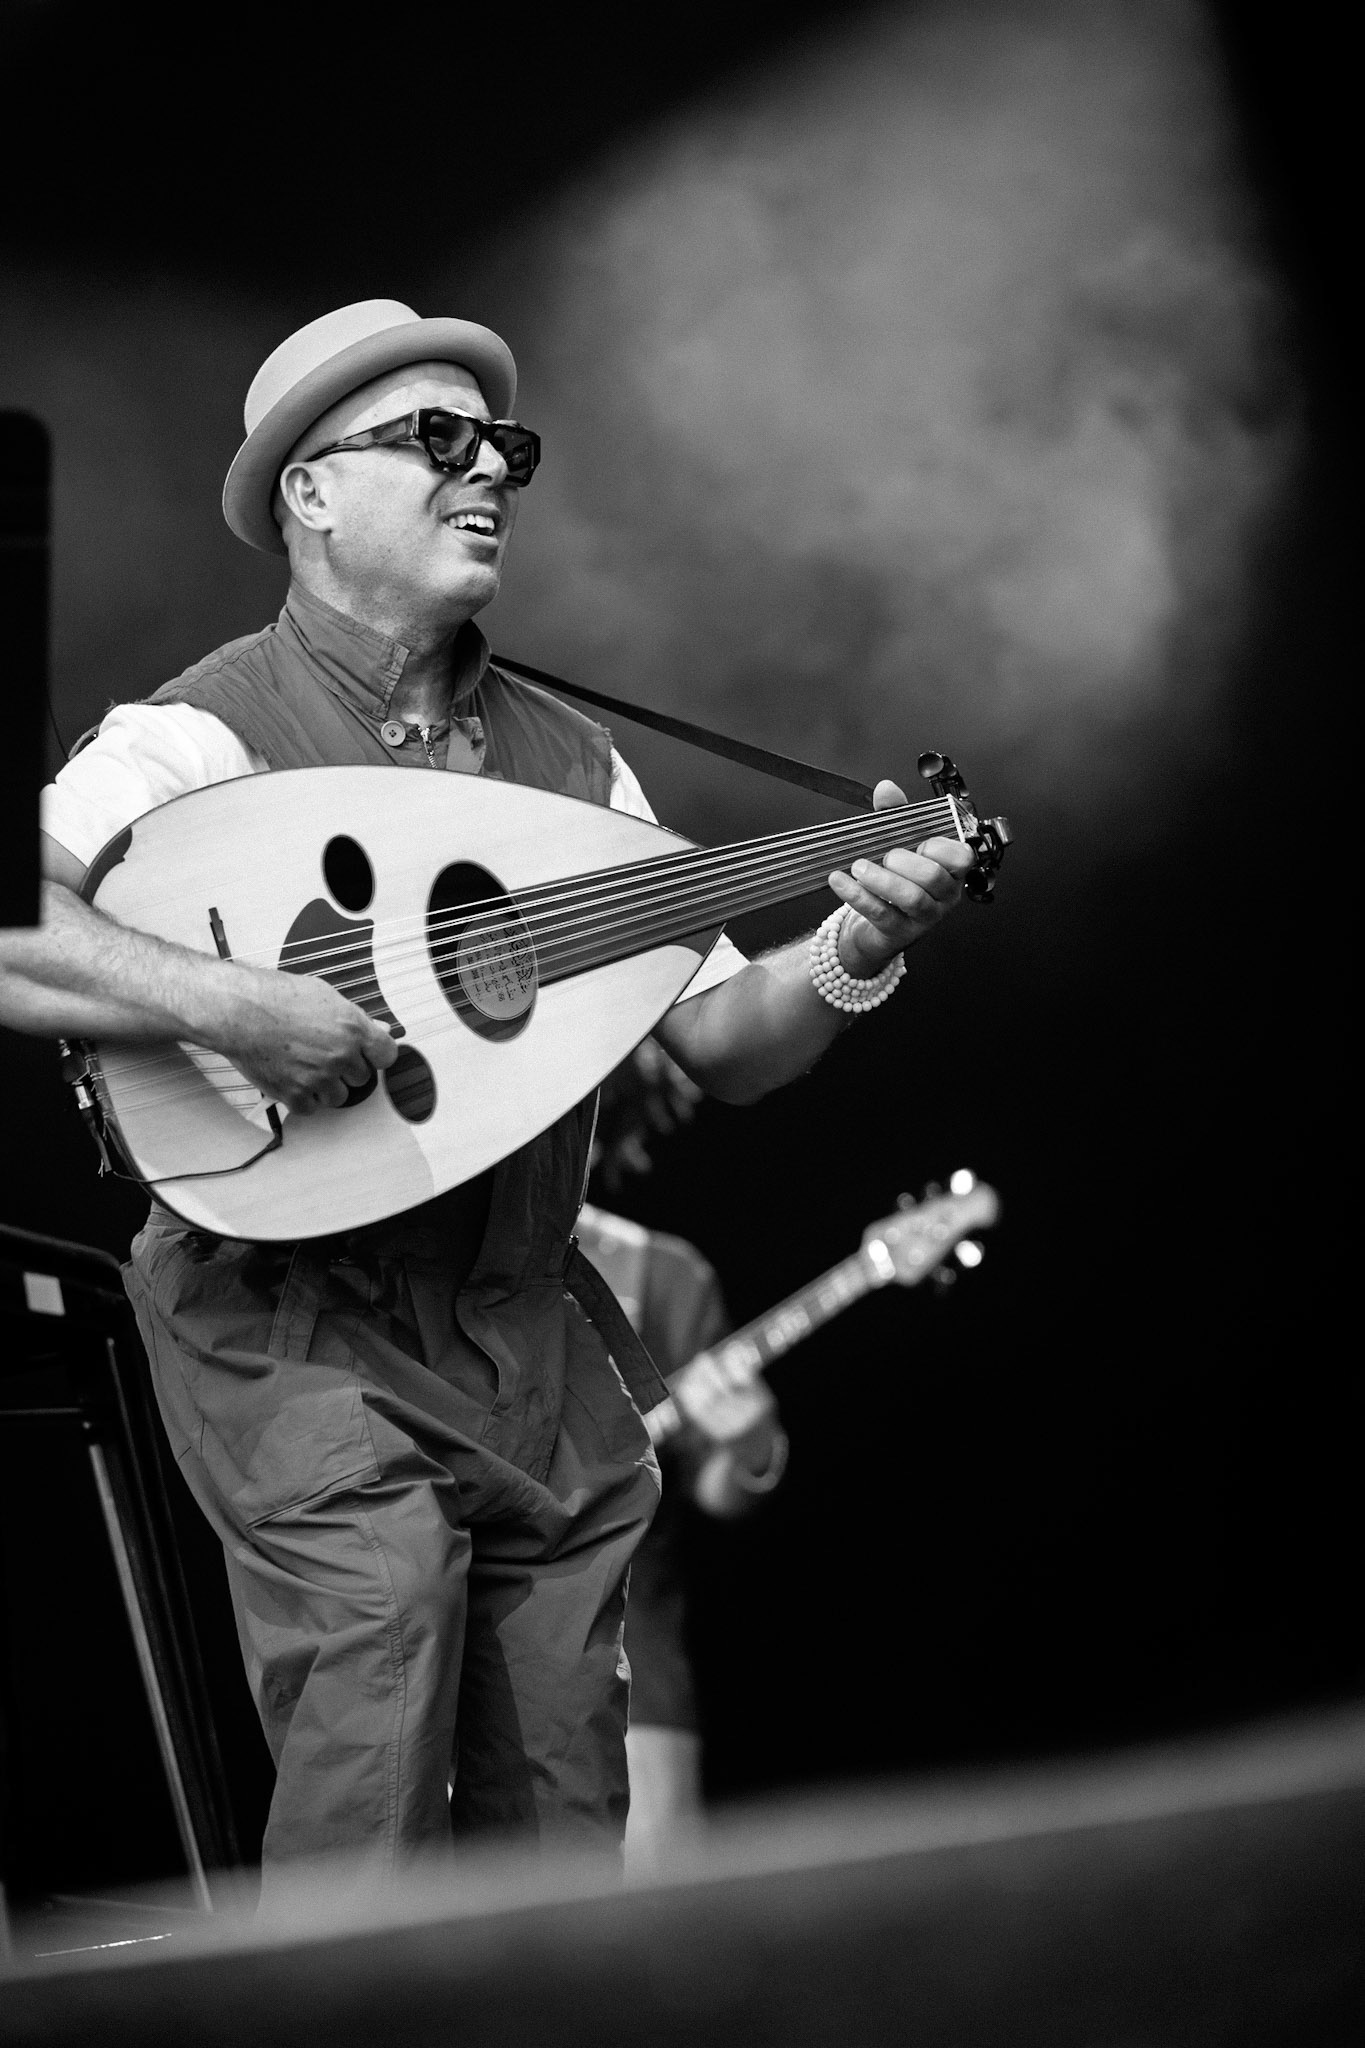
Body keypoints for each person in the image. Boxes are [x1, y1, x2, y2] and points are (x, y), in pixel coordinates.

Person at [0, 299, 973, 1884]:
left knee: (565, 1826)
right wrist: (242, 1005)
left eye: (503, 446)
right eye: (435, 442)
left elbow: (724, 1039)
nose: (490, 475)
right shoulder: (191, 736)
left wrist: (857, 944)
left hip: (528, 1329)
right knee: (375, 1717)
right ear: (309, 492)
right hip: (291, 1316)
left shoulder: (573, 764)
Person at [576, 1044, 788, 1874]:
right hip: (461, 1656)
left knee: (643, 1941)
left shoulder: (660, 1273)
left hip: (636, 1665)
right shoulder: (430, 1272)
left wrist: (745, 1441)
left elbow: (718, 1488)